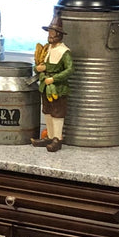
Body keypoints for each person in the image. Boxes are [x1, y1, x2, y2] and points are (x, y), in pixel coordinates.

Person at [34, 16, 74, 152]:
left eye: (52, 33)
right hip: (45, 86)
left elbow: (70, 69)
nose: (50, 36)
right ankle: (49, 137)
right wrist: (41, 68)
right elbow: (44, 64)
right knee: (47, 112)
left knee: (57, 113)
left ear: (59, 35)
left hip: (58, 89)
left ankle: (58, 138)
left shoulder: (64, 52)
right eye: (49, 33)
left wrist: (55, 79)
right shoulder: (48, 49)